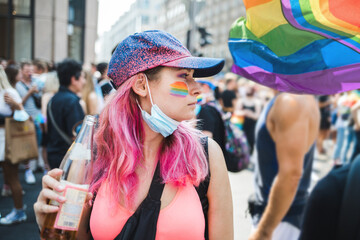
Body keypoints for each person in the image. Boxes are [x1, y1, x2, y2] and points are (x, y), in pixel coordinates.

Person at [34, 30, 233, 239]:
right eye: (184, 76)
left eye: (194, 78)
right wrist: (48, 226)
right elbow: (73, 234)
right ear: (140, 85)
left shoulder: (205, 154)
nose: (196, 89)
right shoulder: (95, 154)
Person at [249, 92, 320, 240]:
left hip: (280, 222)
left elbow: (291, 175)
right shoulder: (291, 97)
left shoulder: (291, 100)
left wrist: (264, 231)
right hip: (277, 217)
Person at [0, 65, 28, 224]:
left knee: (12, 177)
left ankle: (19, 211)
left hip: (7, 140)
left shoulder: (9, 93)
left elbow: (23, 116)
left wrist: (16, 105)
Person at [46, 59, 85, 169]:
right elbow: (79, 134)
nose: (84, 81)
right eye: (82, 77)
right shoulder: (72, 101)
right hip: (68, 156)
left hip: (53, 154)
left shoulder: (53, 99)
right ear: (74, 79)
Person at [15, 61, 40, 184]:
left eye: (31, 70)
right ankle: (28, 170)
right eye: (27, 70)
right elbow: (19, 103)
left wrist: (36, 92)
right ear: (21, 71)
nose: (29, 73)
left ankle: (38, 165)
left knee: (40, 140)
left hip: (37, 117)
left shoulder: (35, 82)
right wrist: (30, 92)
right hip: (25, 119)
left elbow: (40, 99)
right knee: (27, 145)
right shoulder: (18, 85)